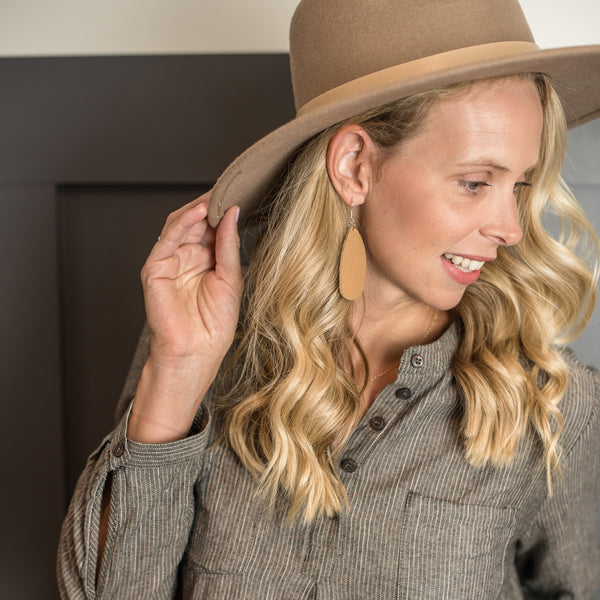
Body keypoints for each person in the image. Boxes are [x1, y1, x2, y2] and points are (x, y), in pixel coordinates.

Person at [58, 0, 600, 597]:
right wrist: (180, 370)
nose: (512, 227)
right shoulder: (208, 343)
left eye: (519, 185)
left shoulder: (553, 406)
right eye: (475, 183)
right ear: (354, 167)